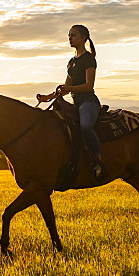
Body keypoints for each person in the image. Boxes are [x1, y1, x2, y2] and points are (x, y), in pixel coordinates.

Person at [37, 24, 105, 181]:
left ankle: (98, 161)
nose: (70, 38)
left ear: (83, 38)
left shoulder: (88, 59)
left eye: (73, 35)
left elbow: (89, 86)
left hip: (88, 101)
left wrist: (68, 88)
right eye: (69, 35)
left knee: (86, 126)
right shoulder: (71, 62)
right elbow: (66, 88)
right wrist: (48, 97)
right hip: (76, 102)